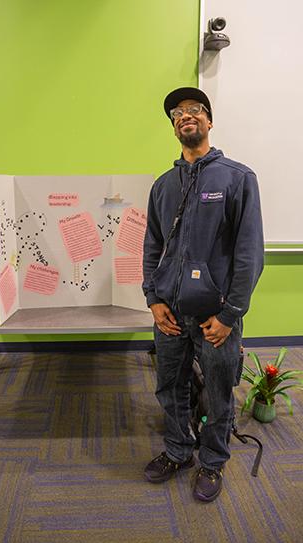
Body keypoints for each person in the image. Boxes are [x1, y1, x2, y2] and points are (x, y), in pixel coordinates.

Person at [142, 87, 264, 502]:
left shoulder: (237, 178)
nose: (184, 116)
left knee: (216, 391)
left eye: (194, 110)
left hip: (216, 317)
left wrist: (230, 315)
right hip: (170, 315)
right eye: (176, 113)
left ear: (209, 121)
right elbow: (151, 248)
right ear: (174, 127)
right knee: (170, 388)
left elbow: (249, 255)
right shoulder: (162, 186)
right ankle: (178, 451)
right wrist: (153, 299)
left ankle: (212, 462)